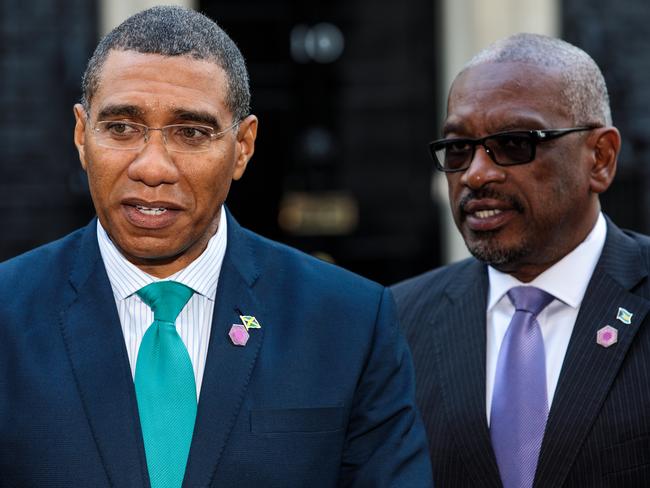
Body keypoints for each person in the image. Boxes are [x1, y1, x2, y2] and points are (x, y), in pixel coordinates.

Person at [0, 6, 432, 487]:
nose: (153, 167)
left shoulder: (349, 321)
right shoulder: (8, 313)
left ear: (243, 147)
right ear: (82, 135)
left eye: (191, 133)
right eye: (122, 128)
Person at [392, 33, 650, 487]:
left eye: (513, 144)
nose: (476, 173)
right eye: (458, 149)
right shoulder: (396, 322)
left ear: (601, 158)